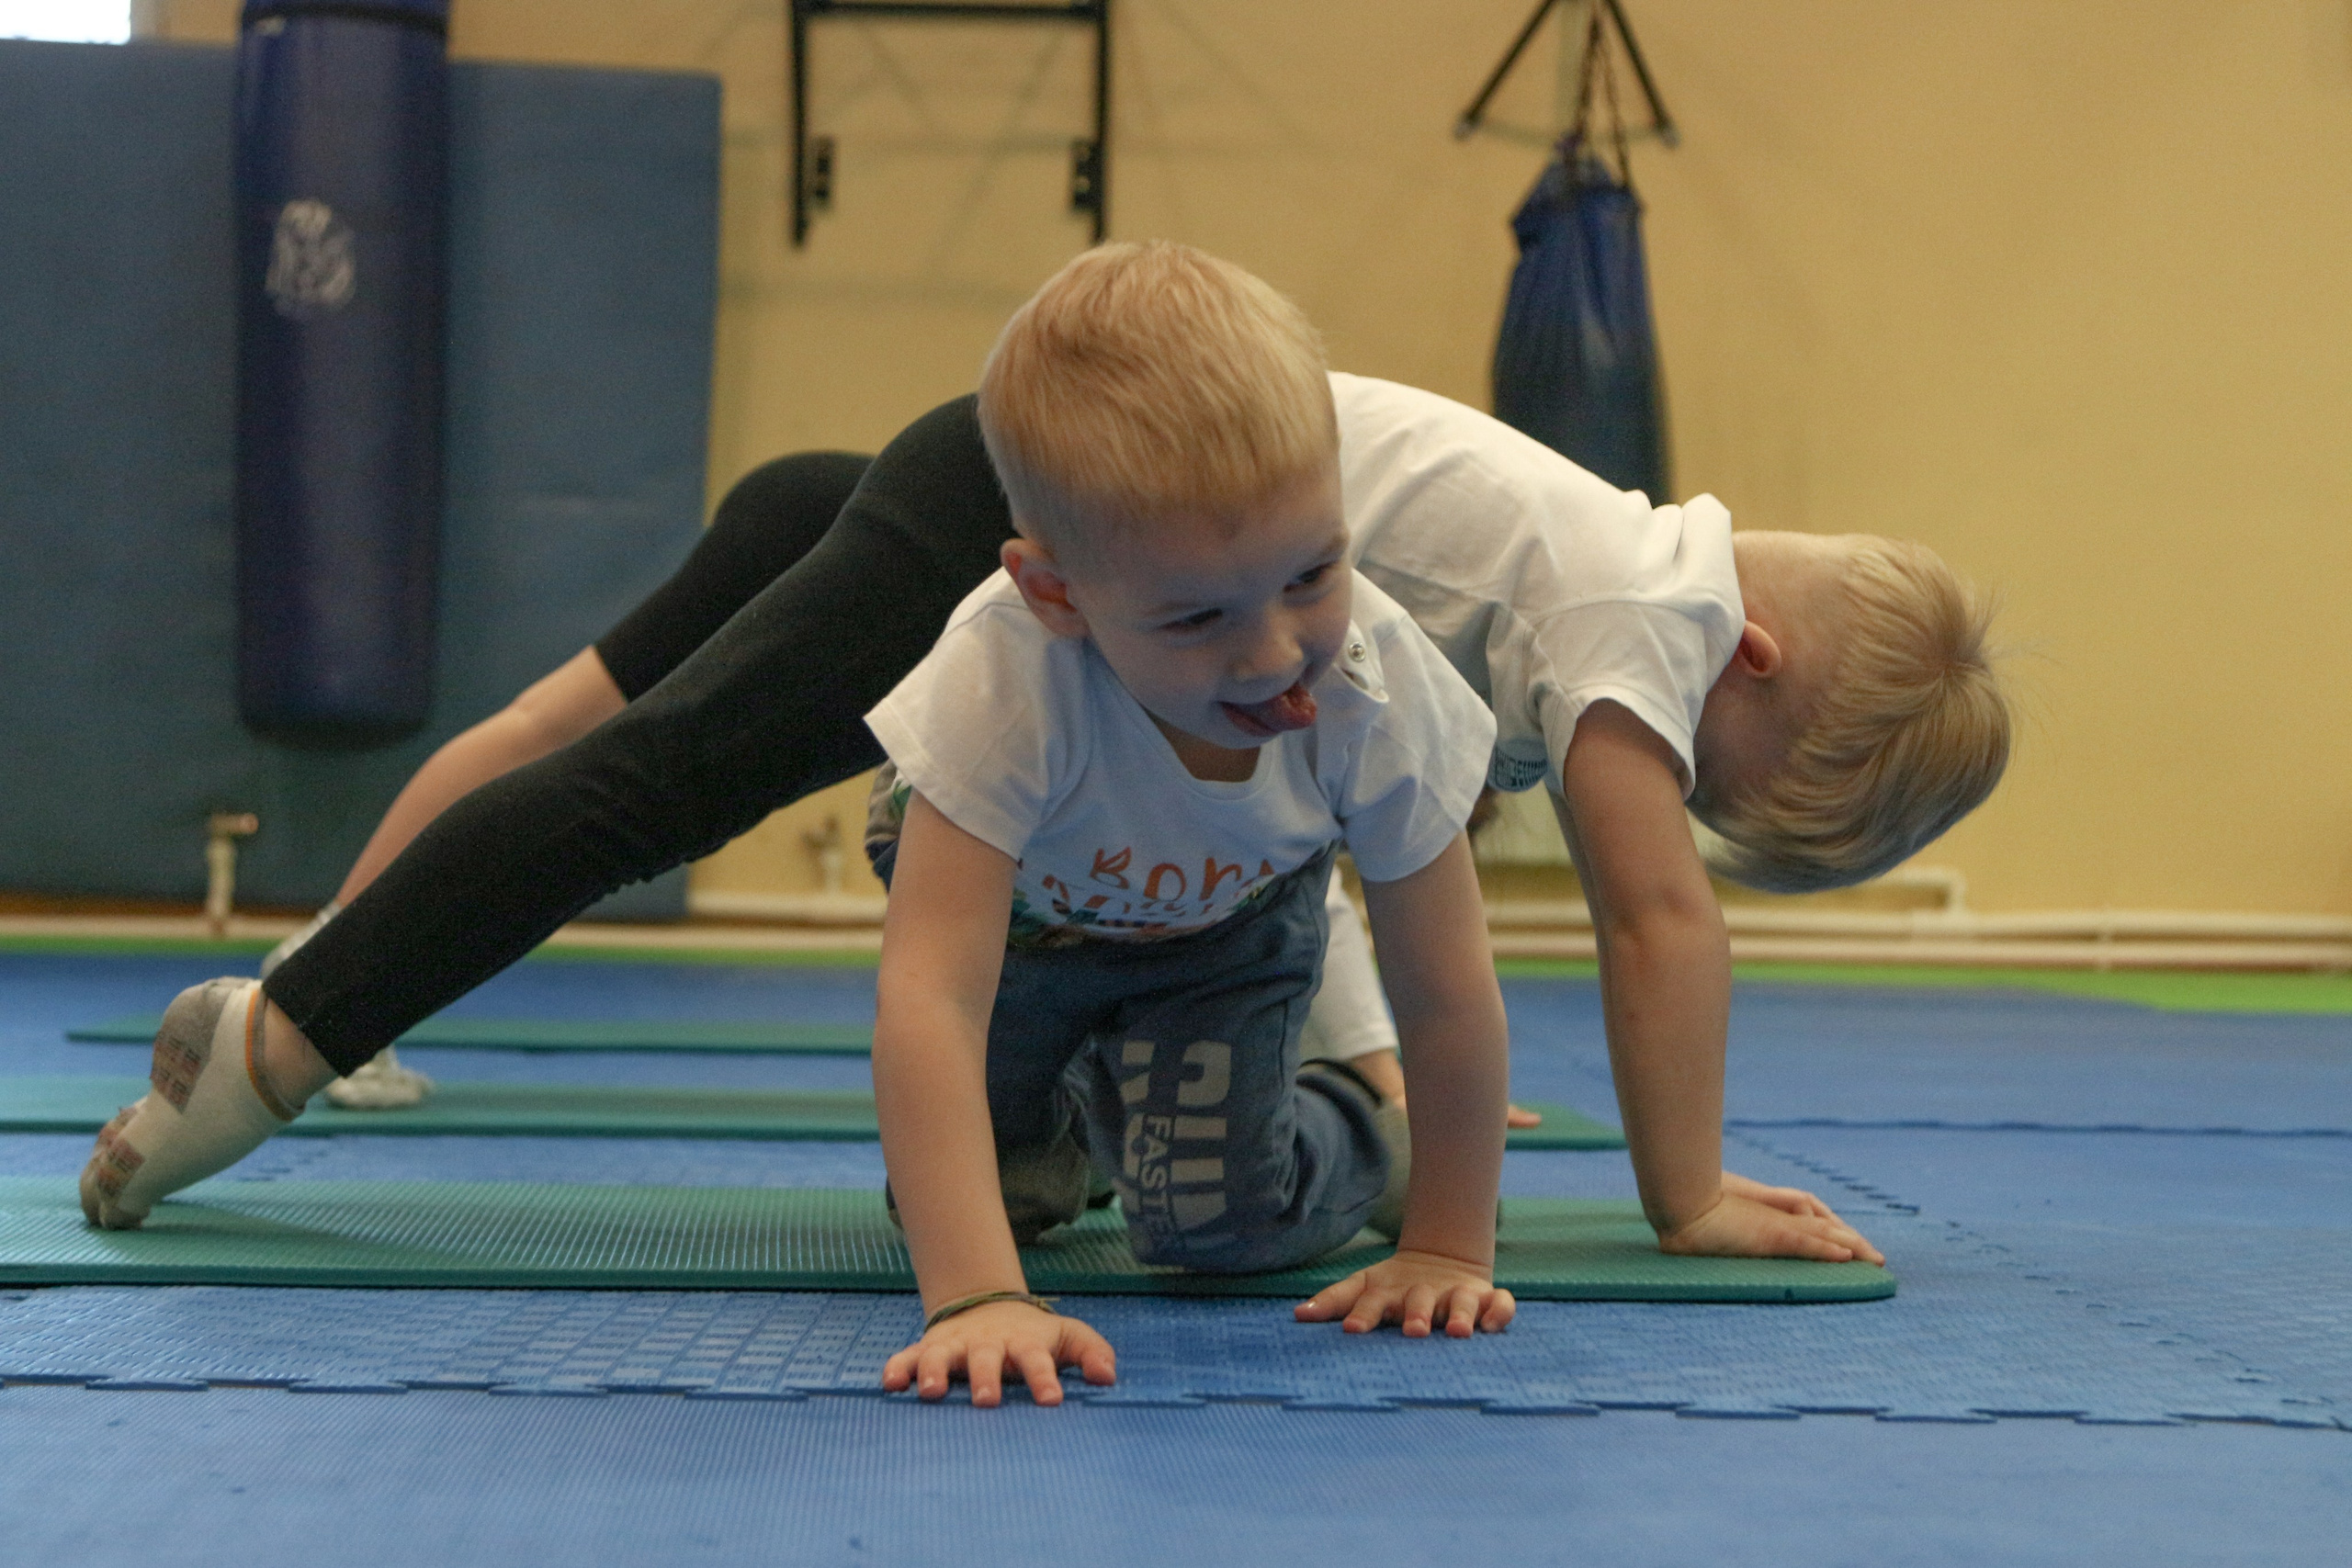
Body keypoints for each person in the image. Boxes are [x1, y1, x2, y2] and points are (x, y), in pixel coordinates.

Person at [82, 236, 2006, 1272]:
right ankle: (283, 1037)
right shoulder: (1637, 620)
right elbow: (1655, 923)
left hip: (974, 493)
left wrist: (1367, 1062)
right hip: (993, 509)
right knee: (657, 785)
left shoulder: (1530, 597)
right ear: (1746, 655)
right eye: (1721, 779)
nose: (1669, 796)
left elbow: (1314, 818)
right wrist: (1684, 1193)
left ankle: (798, 521)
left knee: (634, 715)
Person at [865, 243, 1513, 1404]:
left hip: (1228, 923)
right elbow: (931, 998)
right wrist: (976, 1296)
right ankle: (1066, 1126)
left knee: (1220, 1229)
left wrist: (1447, 1243)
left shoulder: (1375, 684)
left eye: (1310, 575)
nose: (1272, 654)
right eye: (1196, 618)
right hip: (1022, 928)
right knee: (974, 1204)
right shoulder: (1001, 680)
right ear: (1056, 595)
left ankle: (1357, 1129)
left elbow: (1447, 989)